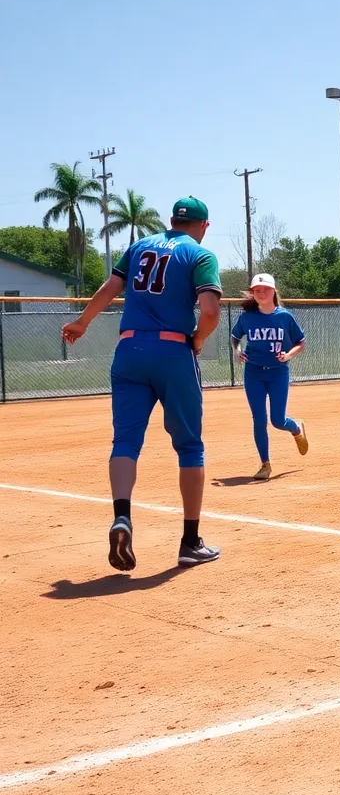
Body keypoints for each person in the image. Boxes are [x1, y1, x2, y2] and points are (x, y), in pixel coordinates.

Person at [61, 196, 223, 570]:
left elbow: (109, 288)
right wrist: (197, 340)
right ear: (204, 226)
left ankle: (122, 516)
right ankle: (190, 541)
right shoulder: (200, 255)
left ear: (170, 220)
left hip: (129, 349)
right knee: (190, 447)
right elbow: (211, 312)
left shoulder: (138, 246)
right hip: (172, 352)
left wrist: (82, 323)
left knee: (126, 441)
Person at [230, 273, 309, 480]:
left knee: (277, 420)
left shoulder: (284, 317)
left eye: (265, 289)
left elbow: (300, 342)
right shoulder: (247, 317)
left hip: (278, 373)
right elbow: (235, 337)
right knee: (259, 419)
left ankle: (296, 428)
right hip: (253, 372)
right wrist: (237, 350)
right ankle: (265, 465)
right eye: (256, 290)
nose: (260, 293)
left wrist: (288, 355)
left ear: (273, 291)